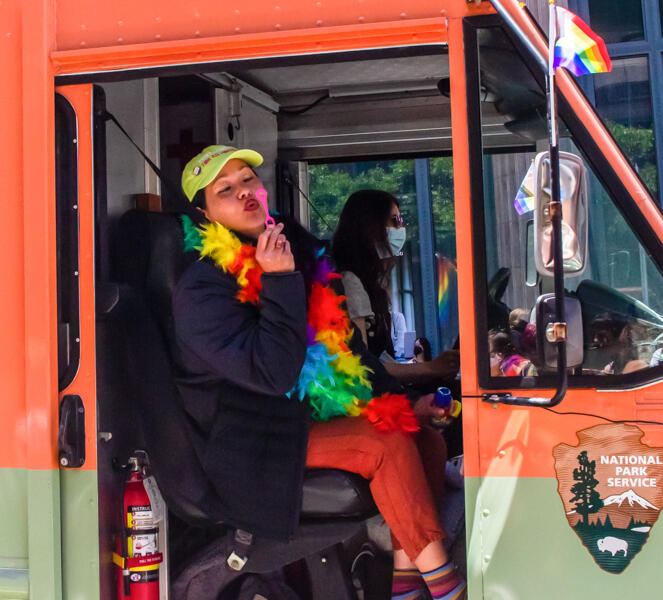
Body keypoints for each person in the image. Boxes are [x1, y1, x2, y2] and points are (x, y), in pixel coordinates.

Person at [172, 146, 465, 600]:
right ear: (204, 213)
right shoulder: (202, 287)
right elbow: (273, 373)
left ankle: (406, 587)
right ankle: (447, 588)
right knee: (384, 444)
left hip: (298, 419)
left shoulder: (296, 252)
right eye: (225, 190)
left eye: (247, 179)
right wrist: (281, 281)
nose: (243, 193)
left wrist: (406, 404)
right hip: (251, 440)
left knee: (420, 434)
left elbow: (347, 351)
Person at [331, 189, 459, 385]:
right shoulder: (350, 283)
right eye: (394, 220)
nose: (401, 227)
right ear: (370, 226)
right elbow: (363, 366)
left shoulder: (372, 283)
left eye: (401, 220)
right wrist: (430, 368)